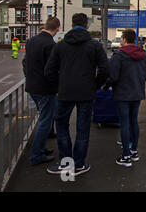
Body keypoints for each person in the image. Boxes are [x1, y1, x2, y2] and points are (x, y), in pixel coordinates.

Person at [44, 13, 109, 176]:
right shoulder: (94, 46)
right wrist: (95, 84)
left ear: (72, 25)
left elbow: (49, 71)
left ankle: (66, 163)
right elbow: (105, 69)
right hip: (86, 92)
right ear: (86, 25)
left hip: (65, 92)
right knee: (82, 128)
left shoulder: (60, 45)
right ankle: (79, 164)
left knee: (62, 126)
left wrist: (58, 86)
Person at [104, 29, 146, 167]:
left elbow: (114, 76)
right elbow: (145, 75)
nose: (121, 40)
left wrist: (105, 86)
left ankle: (126, 155)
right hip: (137, 92)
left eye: (121, 38)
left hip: (123, 93)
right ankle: (134, 151)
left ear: (124, 39)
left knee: (124, 123)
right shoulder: (142, 54)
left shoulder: (119, 55)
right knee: (134, 121)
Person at [22, 17, 61, 165]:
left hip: (32, 86)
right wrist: (56, 85)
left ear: (45, 25)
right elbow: (51, 69)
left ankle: (41, 147)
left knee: (44, 118)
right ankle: (37, 154)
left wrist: (29, 77)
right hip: (45, 88)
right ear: (57, 29)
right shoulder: (50, 44)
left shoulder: (31, 41)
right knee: (45, 120)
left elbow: (25, 62)